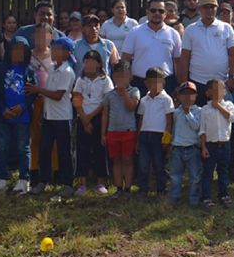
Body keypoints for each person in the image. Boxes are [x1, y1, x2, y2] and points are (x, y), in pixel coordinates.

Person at [28, 37, 76, 197]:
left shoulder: (67, 72)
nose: (53, 51)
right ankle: (44, 180)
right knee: (44, 149)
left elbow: (58, 95)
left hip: (62, 118)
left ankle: (67, 183)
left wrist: (37, 90)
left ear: (66, 53)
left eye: (57, 49)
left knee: (64, 151)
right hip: (49, 117)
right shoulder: (54, 68)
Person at [0, 37, 36, 194]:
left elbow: (32, 93)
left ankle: (24, 179)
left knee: (23, 147)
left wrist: (23, 106)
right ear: (9, 51)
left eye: (22, 51)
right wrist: (3, 108)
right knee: (3, 146)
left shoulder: (29, 70)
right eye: (15, 49)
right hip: (4, 115)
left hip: (22, 116)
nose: (18, 53)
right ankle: (2, 177)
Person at [178, 0, 234, 106]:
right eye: (206, 7)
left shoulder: (226, 28)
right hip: (197, 82)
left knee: (222, 118)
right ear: (200, 8)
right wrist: (184, 82)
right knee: (199, 119)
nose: (209, 10)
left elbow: (233, 54)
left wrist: (233, 77)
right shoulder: (190, 30)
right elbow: (185, 57)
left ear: (216, 9)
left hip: (221, 82)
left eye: (212, 7)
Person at [121, 0, 182, 97]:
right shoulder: (135, 32)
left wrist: (179, 84)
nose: (157, 13)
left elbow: (178, 61)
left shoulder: (174, 34)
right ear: (147, 12)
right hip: (139, 83)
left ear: (165, 14)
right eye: (153, 10)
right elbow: (125, 58)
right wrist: (127, 80)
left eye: (161, 11)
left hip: (166, 84)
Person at [72, 50, 114, 196]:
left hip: (99, 118)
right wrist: (84, 118)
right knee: (82, 150)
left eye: (92, 61)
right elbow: (76, 99)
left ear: (99, 64)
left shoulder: (105, 80)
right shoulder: (80, 80)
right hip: (82, 117)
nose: (89, 65)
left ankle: (100, 182)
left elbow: (106, 102)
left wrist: (90, 117)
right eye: (86, 62)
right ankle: (82, 183)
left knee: (99, 150)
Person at [100, 60, 141, 197]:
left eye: (124, 76)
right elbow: (105, 114)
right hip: (112, 132)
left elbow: (131, 107)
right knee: (116, 160)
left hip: (129, 131)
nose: (121, 79)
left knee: (127, 159)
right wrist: (103, 134)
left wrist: (124, 93)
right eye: (117, 76)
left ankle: (128, 188)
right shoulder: (109, 95)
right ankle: (118, 188)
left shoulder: (134, 91)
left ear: (130, 76)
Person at [136, 67, 175, 198]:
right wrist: (138, 138)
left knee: (159, 165)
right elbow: (141, 119)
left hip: (159, 136)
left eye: (159, 81)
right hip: (145, 136)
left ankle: (161, 190)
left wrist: (167, 138)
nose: (156, 85)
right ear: (146, 83)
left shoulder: (166, 99)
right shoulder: (143, 100)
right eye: (152, 82)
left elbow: (169, 120)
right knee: (143, 165)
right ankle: (143, 189)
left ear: (163, 82)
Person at [199, 79, 234, 208]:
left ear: (225, 91)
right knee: (208, 171)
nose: (218, 92)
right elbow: (202, 130)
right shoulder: (204, 110)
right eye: (214, 89)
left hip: (225, 144)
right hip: (211, 145)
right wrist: (203, 146)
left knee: (223, 170)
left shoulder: (229, 105)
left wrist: (218, 106)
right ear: (207, 93)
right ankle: (206, 197)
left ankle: (224, 194)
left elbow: (231, 118)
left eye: (221, 89)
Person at [28, 23, 58, 186]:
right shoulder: (28, 55)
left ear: (51, 37)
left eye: (45, 35)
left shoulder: (56, 55)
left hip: (53, 100)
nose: (41, 38)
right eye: (38, 35)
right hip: (34, 100)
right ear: (33, 37)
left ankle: (54, 170)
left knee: (52, 137)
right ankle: (34, 170)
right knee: (35, 137)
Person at [168, 82, 203, 206]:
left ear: (196, 96)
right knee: (175, 176)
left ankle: (194, 198)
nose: (187, 97)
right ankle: (174, 197)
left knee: (195, 176)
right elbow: (174, 129)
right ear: (179, 96)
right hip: (178, 148)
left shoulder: (199, 111)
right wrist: (171, 142)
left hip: (193, 148)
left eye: (191, 94)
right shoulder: (176, 112)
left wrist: (188, 112)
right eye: (184, 94)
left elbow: (197, 126)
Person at [73, 14, 120, 80]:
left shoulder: (109, 45)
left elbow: (116, 68)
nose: (94, 28)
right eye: (89, 26)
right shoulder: (74, 46)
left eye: (96, 25)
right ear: (82, 28)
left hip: (104, 87)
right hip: (81, 87)